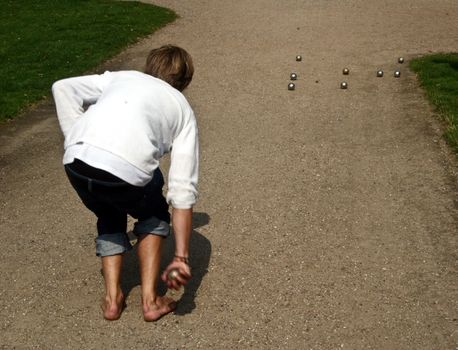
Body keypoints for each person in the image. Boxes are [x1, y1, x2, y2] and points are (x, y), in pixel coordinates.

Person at [52, 45, 198, 321]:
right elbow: (182, 192)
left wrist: (74, 134)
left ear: (149, 68)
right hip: (124, 172)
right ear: (185, 82)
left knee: (108, 209)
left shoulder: (123, 77)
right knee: (153, 212)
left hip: (77, 163)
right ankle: (151, 300)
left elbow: (63, 87)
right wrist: (180, 256)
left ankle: (112, 299)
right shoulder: (182, 108)